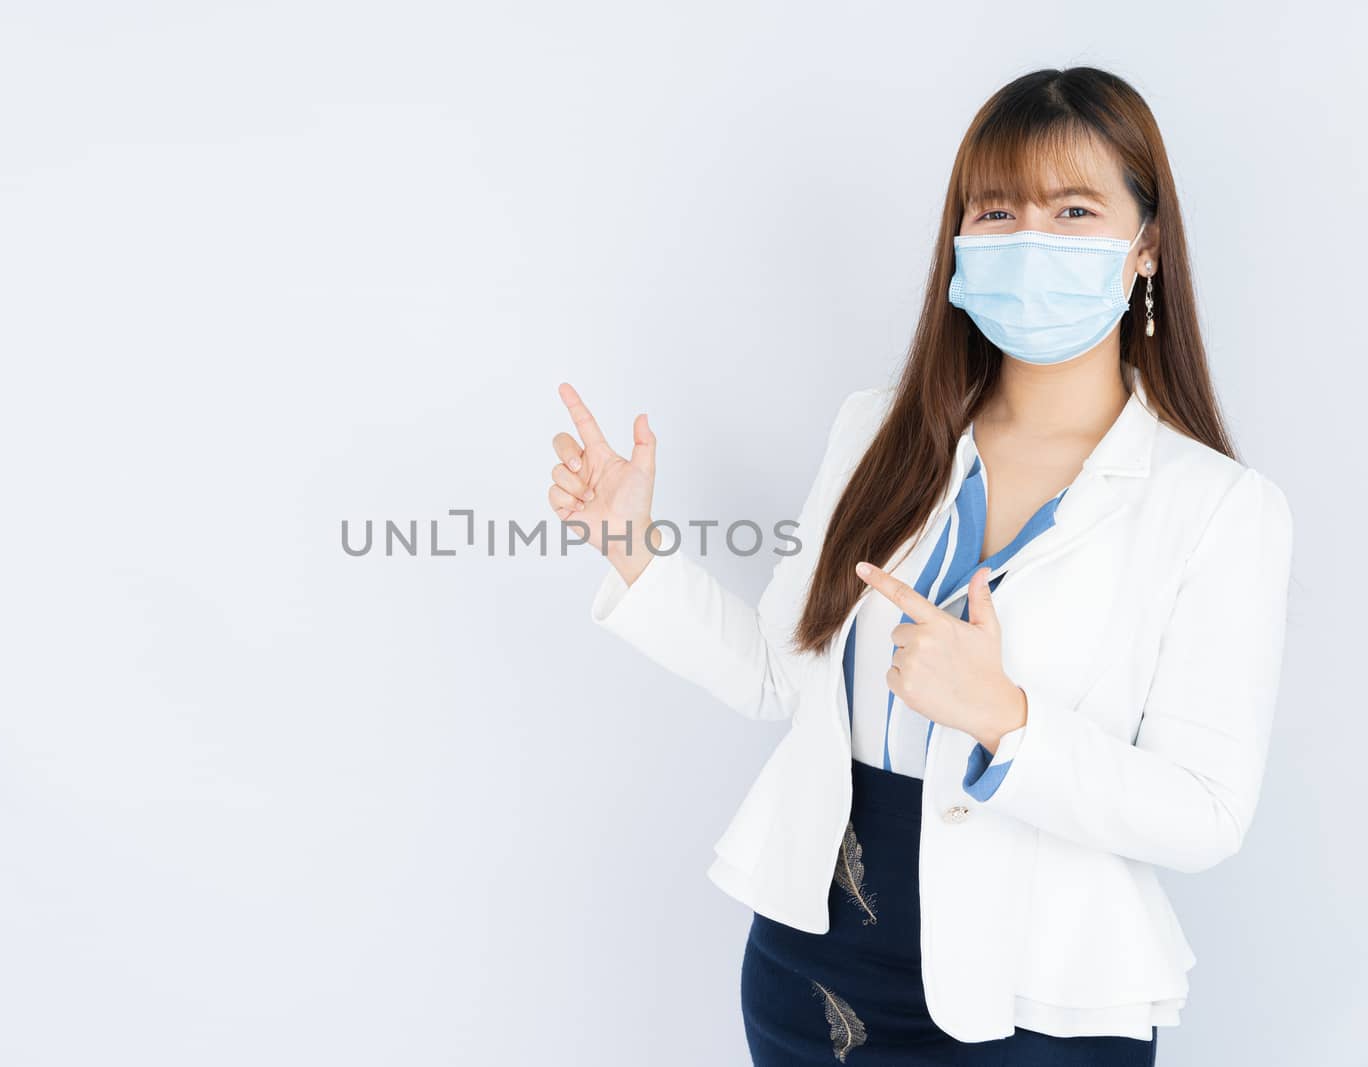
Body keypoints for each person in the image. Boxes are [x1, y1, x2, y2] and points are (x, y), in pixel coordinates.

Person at [546, 67, 1293, 1065]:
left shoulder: (1216, 507)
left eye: (1073, 210)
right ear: (958, 240)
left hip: (1040, 998)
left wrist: (1005, 719)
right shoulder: (877, 432)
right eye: (996, 211)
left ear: (1146, 244)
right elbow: (779, 671)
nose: (1030, 240)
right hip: (815, 970)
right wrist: (630, 548)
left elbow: (1205, 812)